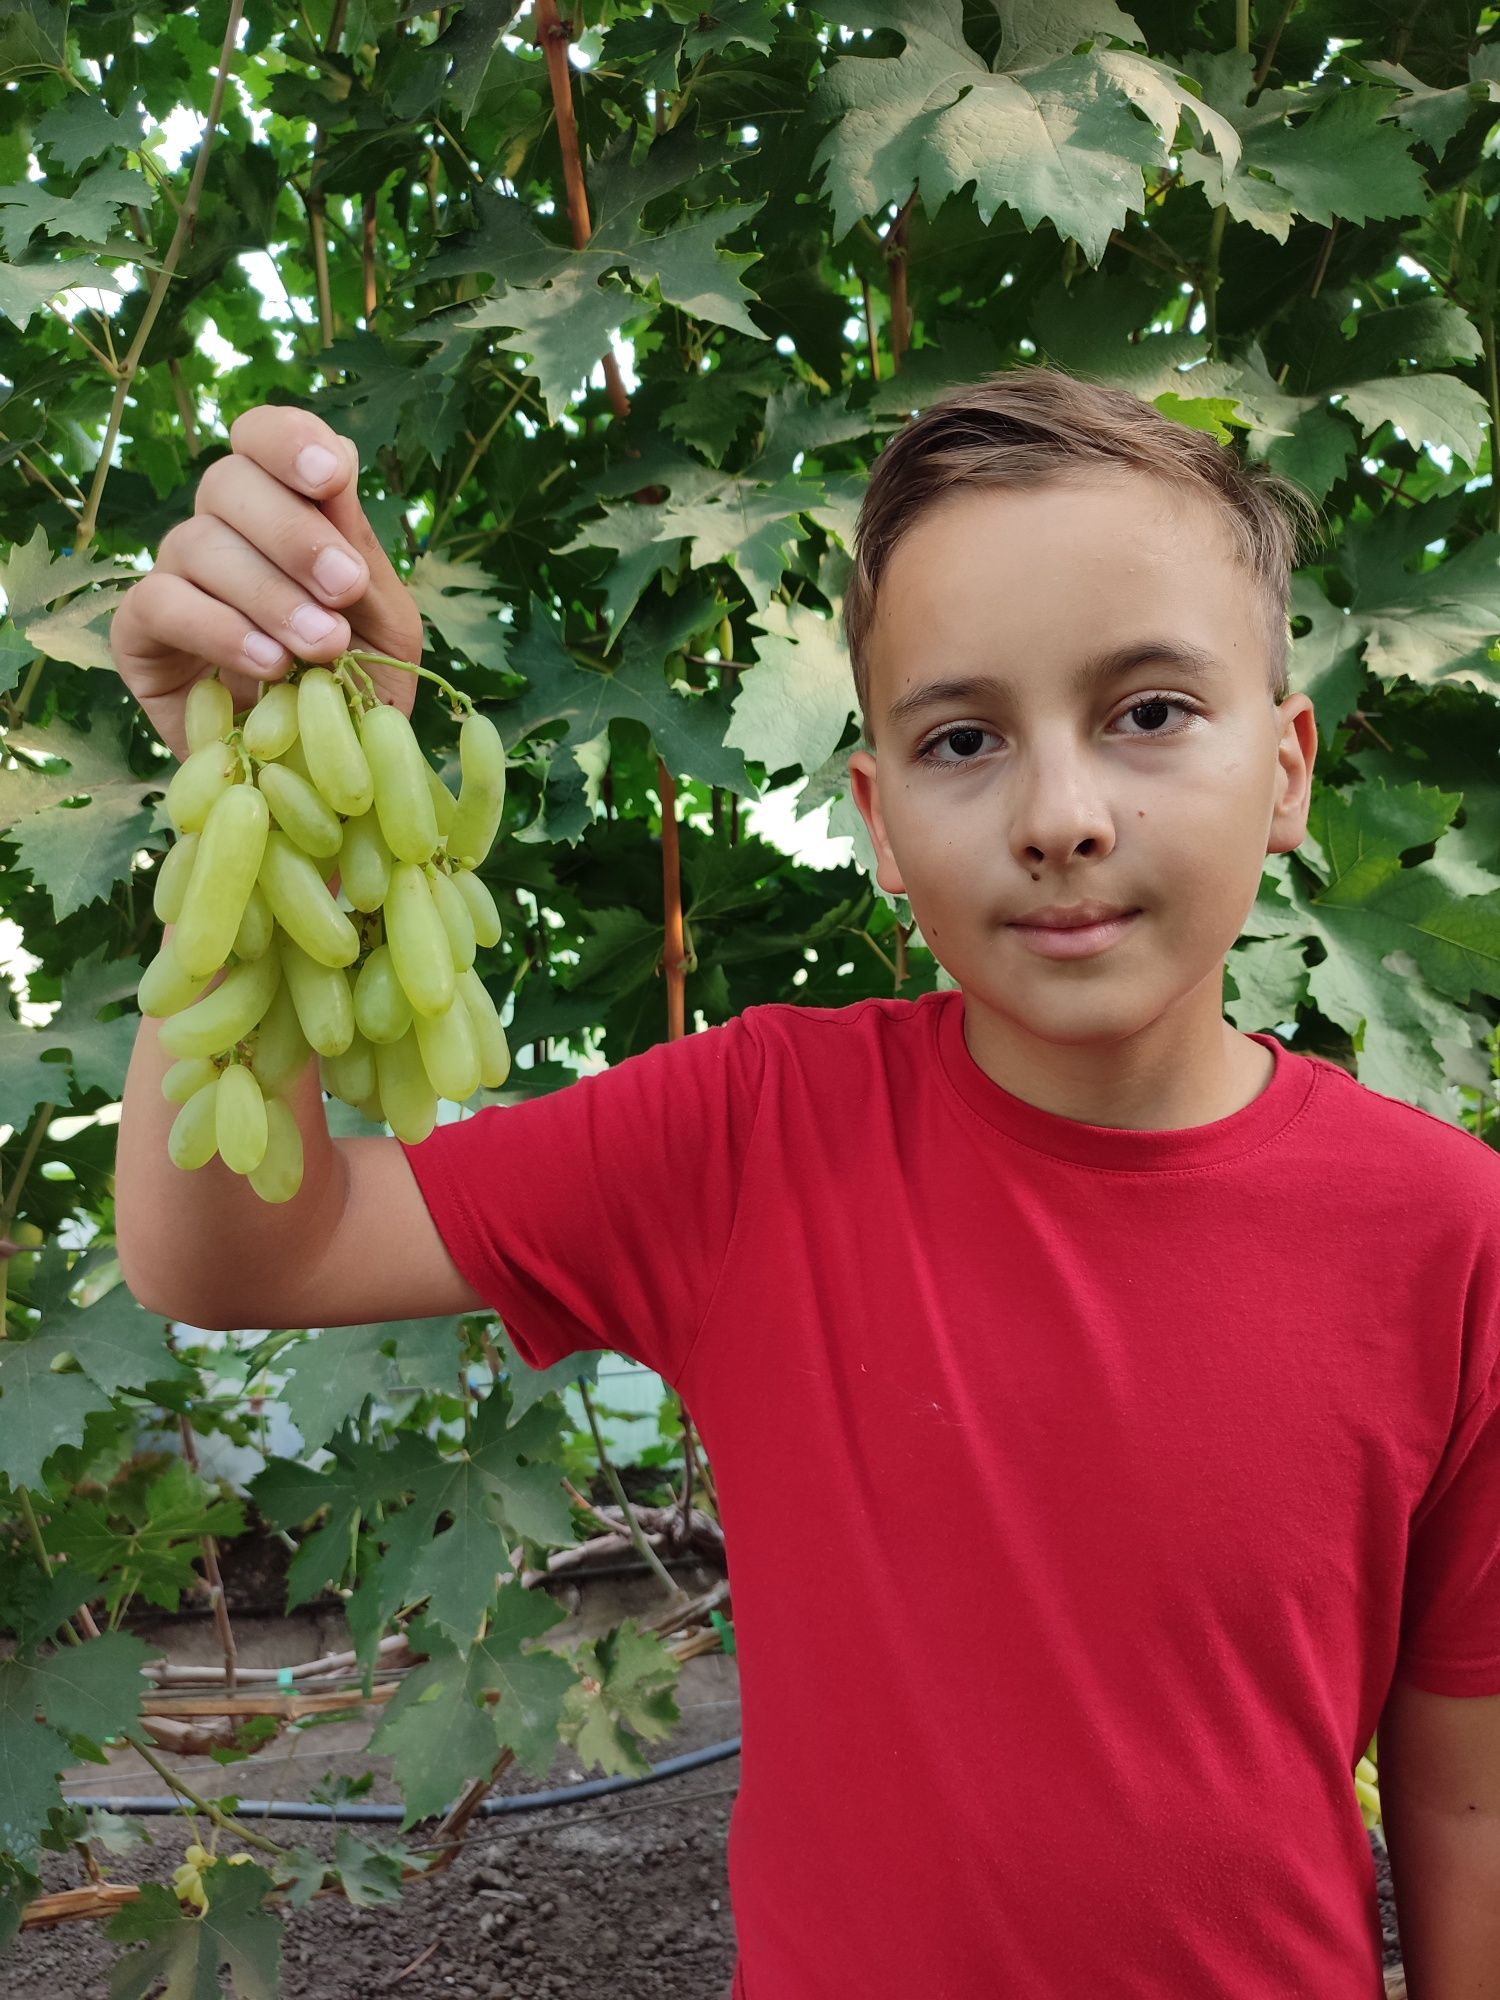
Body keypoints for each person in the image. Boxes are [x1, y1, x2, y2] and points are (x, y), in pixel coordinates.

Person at [110, 366, 1500, 1998]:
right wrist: (285, 800)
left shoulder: (1448, 1231)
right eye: (964, 738)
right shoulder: (755, 1134)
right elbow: (245, 1252)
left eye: (1149, 711)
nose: (1060, 816)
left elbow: (1464, 1781)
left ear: (1287, 768)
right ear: (881, 822)